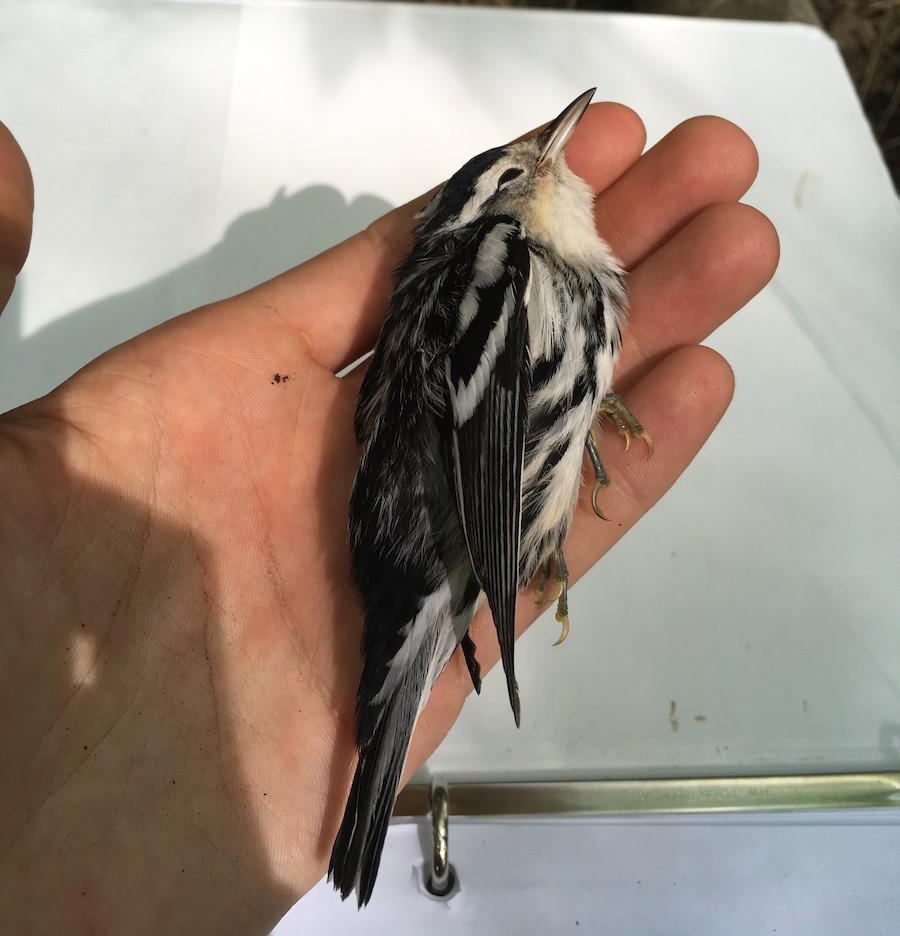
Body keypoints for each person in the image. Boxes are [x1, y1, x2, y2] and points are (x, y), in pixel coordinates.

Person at [0, 105, 778, 932]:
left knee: (406, 660)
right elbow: (489, 431)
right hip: (454, 517)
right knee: (409, 654)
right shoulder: (506, 255)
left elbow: (489, 414)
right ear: (498, 213)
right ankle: (366, 814)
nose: (548, 162)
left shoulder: (497, 260)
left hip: (449, 515)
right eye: (522, 174)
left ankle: (364, 814)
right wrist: (516, 522)